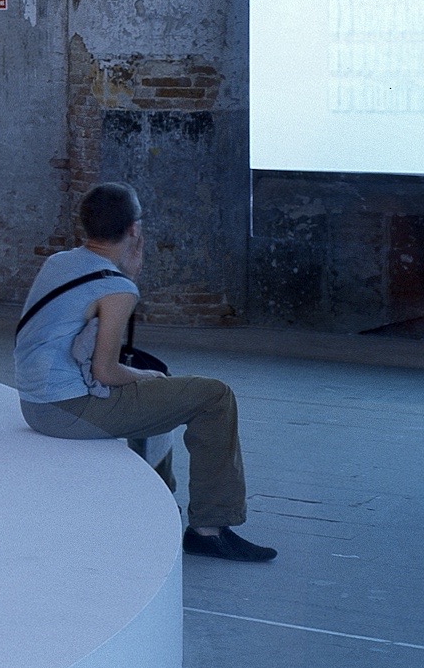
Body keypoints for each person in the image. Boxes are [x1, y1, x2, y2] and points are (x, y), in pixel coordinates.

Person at [14, 183, 277, 561]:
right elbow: (105, 371)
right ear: (135, 230)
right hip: (68, 410)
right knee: (212, 396)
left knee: (162, 393)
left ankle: (156, 501)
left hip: (36, 403)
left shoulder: (59, 262)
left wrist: (127, 279)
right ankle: (209, 528)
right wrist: (147, 377)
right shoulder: (116, 287)